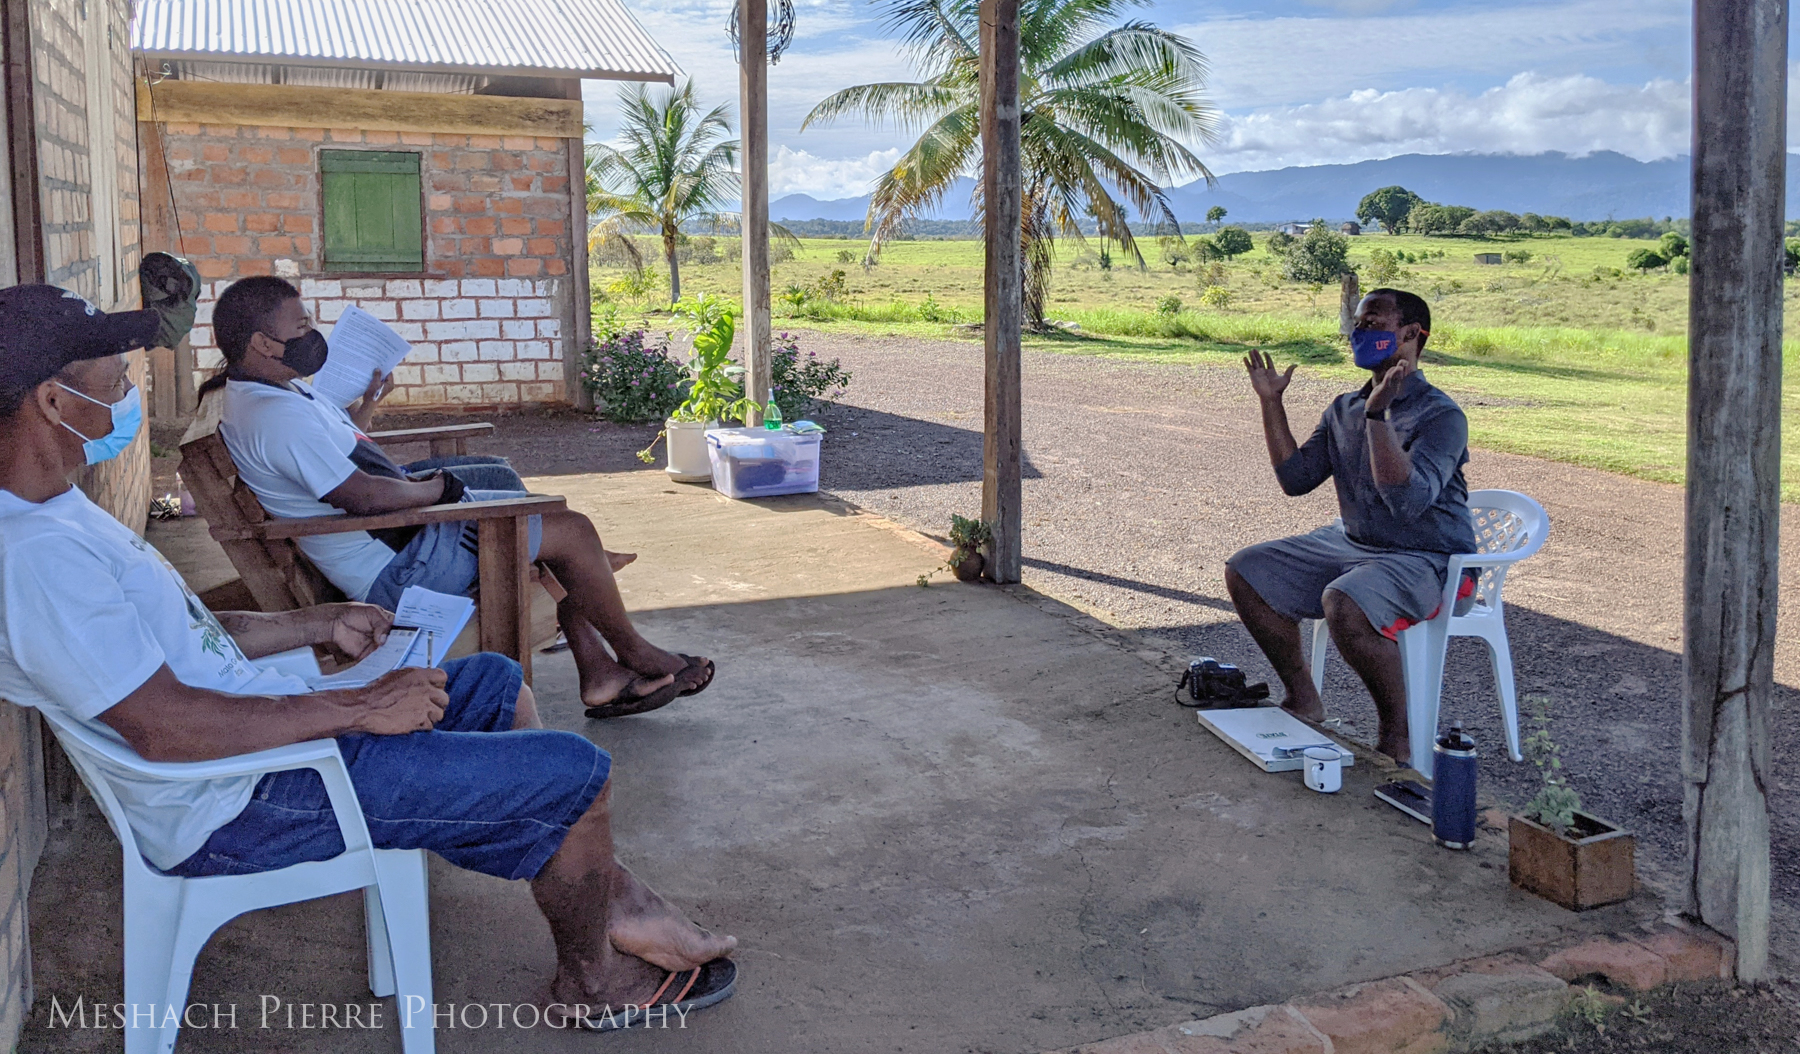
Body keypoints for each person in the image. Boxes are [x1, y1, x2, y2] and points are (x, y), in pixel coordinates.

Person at [0, 284, 736, 1027]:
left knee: (490, 680)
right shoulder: (37, 556)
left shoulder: (58, 514)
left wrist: (316, 622)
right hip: (243, 800)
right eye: (114, 384)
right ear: (54, 405)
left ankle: (599, 881)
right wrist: (356, 706)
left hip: (257, 752)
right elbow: (165, 726)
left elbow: (188, 638)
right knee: (579, 771)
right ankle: (593, 979)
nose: (128, 397)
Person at [204, 277, 704, 719]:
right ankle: (634, 652)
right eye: (301, 325)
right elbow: (363, 496)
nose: (312, 334)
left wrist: (365, 413)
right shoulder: (274, 415)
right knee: (571, 532)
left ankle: (599, 668)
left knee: (527, 502)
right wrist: (437, 490)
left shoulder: (273, 391)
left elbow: (331, 458)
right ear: (263, 343)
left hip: (398, 539)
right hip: (393, 571)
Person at [1225, 288, 1477, 764]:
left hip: (1431, 558)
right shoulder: (1343, 407)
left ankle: (1397, 739)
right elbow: (1295, 480)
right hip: (1355, 543)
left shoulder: (1442, 416)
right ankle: (1303, 698)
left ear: (1409, 335)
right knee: (1247, 570)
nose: (1359, 333)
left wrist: (1379, 415)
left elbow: (1407, 503)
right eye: (1358, 324)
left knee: (1346, 601)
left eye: (1373, 323)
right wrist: (1271, 403)